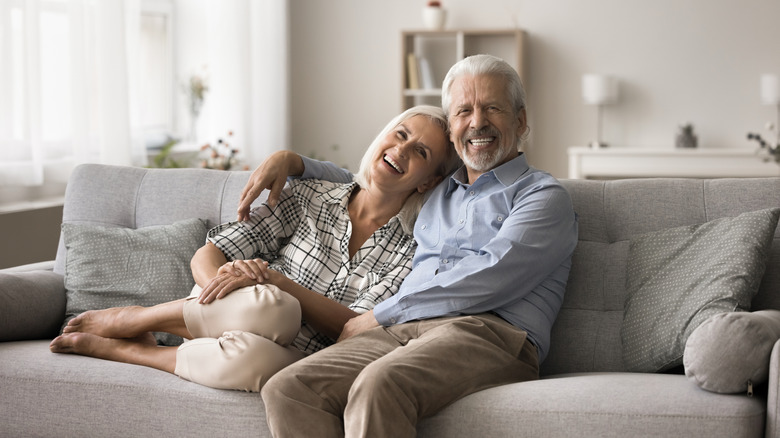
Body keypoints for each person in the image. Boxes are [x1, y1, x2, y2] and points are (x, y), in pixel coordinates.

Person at [239, 54, 579, 437]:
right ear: (452, 129)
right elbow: (372, 179)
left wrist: (382, 313)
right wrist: (294, 161)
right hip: (407, 329)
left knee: (379, 385)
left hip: (493, 334)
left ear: (520, 120)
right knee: (290, 387)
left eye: (492, 108)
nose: (477, 122)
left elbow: (492, 273)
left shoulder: (543, 197)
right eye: (463, 111)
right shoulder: (437, 190)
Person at [49, 105, 461, 392]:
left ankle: (126, 349)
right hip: (243, 309)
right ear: (385, 135)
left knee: (263, 358)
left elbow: (353, 328)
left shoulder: (415, 249)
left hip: (301, 357)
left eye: (420, 152)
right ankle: (138, 318)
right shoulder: (311, 197)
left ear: (426, 181)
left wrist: (278, 280)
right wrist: (221, 296)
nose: (401, 150)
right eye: (400, 135)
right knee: (272, 308)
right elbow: (208, 254)